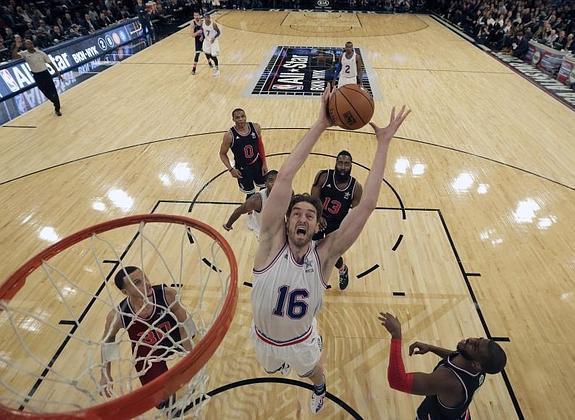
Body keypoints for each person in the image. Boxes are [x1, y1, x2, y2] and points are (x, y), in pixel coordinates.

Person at [251, 85, 410, 414]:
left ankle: (320, 387)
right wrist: (321, 124)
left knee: (313, 372)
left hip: (300, 340)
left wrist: (382, 145)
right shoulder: (269, 243)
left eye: (310, 215)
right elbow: (284, 180)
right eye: (296, 212)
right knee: (269, 367)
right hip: (263, 337)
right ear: (286, 219)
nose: (303, 218)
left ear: (317, 225)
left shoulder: (323, 256)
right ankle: (280, 365)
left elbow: (364, 208)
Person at [378, 312, 507, 420]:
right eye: (478, 339)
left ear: (476, 364)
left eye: (475, 346)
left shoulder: (450, 382)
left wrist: (396, 336)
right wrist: (431, 348)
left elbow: (398, 381)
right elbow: (455, 357)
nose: (471, 340)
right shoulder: (478, 367)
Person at [99, 266, 196, 409]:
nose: (147, 283)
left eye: (145, 278)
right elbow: (108, 342)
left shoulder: (167, 295)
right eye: (138, 282)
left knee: (196, 347)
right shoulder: (118, 316)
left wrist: (191, 356)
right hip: (148, 351)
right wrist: (105, 374)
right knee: (162, 399)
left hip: (174, 337)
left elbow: (185, 326)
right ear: (125, 292)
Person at [310, 151, 363, 290]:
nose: (343, 167)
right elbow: (314, 198)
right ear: (336, 163)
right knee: (310, 248)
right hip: (318, 218)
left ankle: (342, 269)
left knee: (331, 255)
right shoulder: (323, 176)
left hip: (336, 225)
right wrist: (318, 215)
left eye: (346, 164)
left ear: (351, 166)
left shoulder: (355, 188)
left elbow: (356, 214)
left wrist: (346, 230)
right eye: (340, 163)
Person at [219, 108, 268, 200]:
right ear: (233, 119)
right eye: (237, 117)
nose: (241, 119)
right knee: (250, 194)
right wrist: (231, 169)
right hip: (242, 168)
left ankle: (263, 210)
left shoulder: (256, 127)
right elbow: (222, 154)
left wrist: (264, 163)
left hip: (257, 163)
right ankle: (250, 213)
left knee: (264, 189)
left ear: (245, 117)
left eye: (242, 116)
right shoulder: (229, 135)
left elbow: (260, 145)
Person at [12, 36, 63, 116]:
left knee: (53, 91)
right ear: (25, 46)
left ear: (32, 44)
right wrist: (16, 47)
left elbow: (51, 63)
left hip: (45, 74)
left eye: (30, 43)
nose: (29, 45)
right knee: (45, 92)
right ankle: (54, 101)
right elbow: (14, 57)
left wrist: (58, 74)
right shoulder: (24, 54)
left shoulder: (40, 53)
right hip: (37, 76)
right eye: (27, 44)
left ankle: (57, 108)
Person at [223, 170, 277, 239]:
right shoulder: (256, 200)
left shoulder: (287, 193)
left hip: (279, 229)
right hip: (264, 234)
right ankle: (250, 218)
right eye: (271, 180)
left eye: (277, 180)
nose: (275, 183)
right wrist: (228, 225)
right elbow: (238, 211)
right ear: (265, 184)